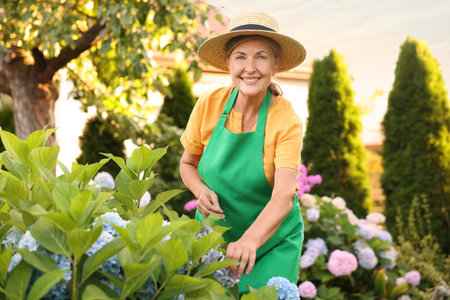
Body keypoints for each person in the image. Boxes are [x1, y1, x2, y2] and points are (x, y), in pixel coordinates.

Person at [179, 11, 306, 293]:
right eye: (241, 56)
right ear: (227, 63)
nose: (250, 67)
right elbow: (187, 164)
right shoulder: (209, 104)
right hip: (215, 237)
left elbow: (284, 194)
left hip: (273, 241)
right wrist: (200, 190)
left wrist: (250, 240)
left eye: (261, 56)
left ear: (275, 64)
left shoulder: (285, 120)